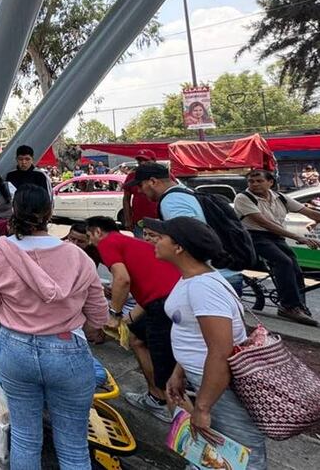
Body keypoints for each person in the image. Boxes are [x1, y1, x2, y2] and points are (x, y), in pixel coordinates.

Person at [0, 185, 108, 470]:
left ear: (14, 211)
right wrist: (86, 331)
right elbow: (99, 314)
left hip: (14, 350)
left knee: (24, 438)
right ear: (49, 212)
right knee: (74, 447)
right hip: (67, 350)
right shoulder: (78, 257)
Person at [144, 216, 267, 470]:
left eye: (161, 236)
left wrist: (202, 407)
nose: (154, 240)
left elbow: (221, 351)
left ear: (179, 247)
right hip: (204, 378)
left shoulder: (203, 288)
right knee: (214, 451)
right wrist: (179, 372)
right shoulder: (190, 278)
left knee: (240, 455)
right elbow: (192, 334)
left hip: (219, 384)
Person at [86, 216, 181, 423]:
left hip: (164, 304)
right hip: (169, 298)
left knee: (164, 360)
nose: (90, 241)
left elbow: (122, 279)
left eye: (89, 235)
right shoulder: (131, 243)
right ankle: (155, 396)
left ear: (97, 232)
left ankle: (172, 410)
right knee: (137, 340)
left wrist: (114, 314)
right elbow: (147, 292)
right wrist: (126, 321)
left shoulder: (108, 243)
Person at [234, 169, 320, 326]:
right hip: (254, 236)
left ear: (270, 182)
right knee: (283, 262)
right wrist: (297, 237)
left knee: (295, 268)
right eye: (251, 181)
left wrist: (316, 219)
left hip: (276, 237)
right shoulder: (243, 198)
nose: (254, 184)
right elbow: (265, 223)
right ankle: (289, 306)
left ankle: (299, 305)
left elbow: (309, 212)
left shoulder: (280, 197)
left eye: (259, 181)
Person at [121, 150, 160, 238]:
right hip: (140, 222)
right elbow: (126, 198)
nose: (142, 163)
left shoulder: (163, 175)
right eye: (140, 161)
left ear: (154, 161)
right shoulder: (132, 176)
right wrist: (127, 219)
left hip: (160, 221)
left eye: (146, 160)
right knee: (143, 248)